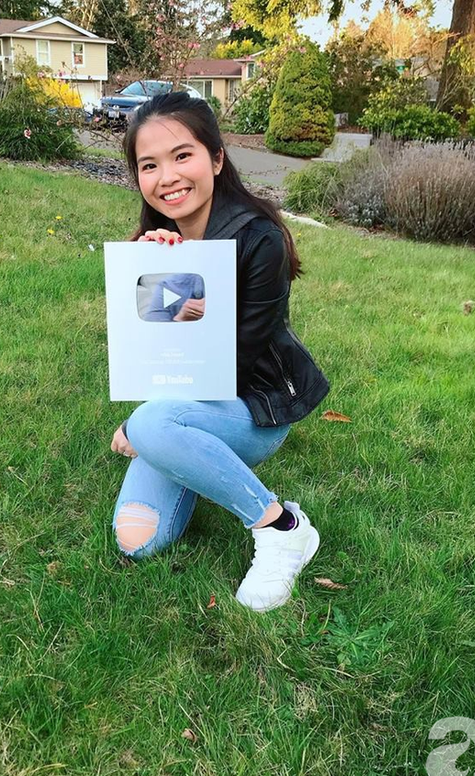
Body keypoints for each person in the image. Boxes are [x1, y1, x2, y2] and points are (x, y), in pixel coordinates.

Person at [109, 91, 330, 612]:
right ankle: (177, 445)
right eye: (149, 165)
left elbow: (231, 365)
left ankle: (282, 528)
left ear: (216, 158)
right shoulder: (157, 240)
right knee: (137, 540)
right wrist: (147, 276)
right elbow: (151, 353)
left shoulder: (260, 239)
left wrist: (143, 425)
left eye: (182, 155)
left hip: (254, 405)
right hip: (184, 402)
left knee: (152, 424)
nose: (167, 177)